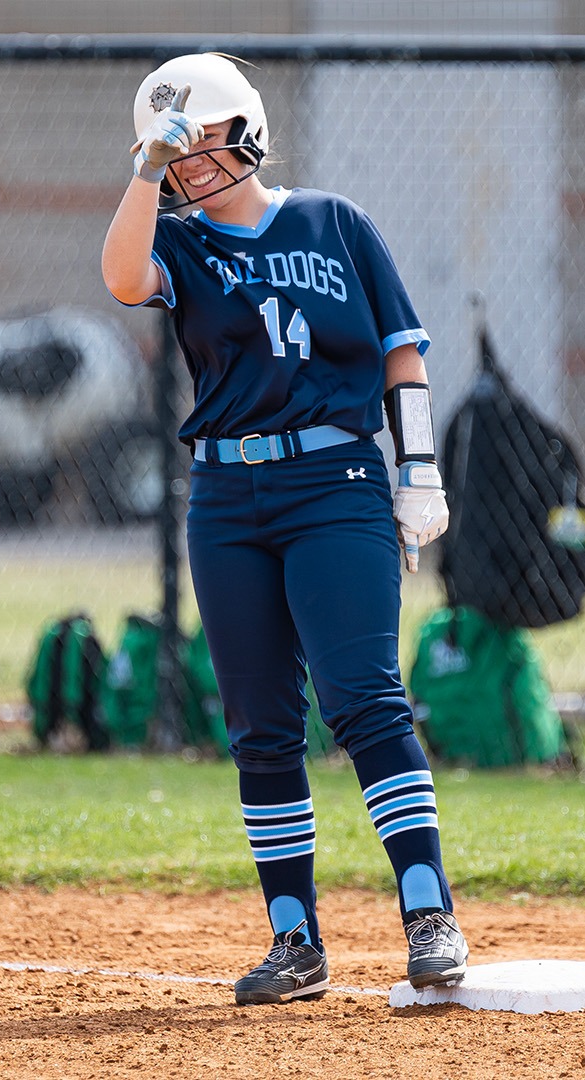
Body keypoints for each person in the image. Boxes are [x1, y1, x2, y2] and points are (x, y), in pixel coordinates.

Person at [100, 53, 468, 1006]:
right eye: (174, 151)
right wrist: (145, 169)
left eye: (201, 141)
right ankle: (294, 939)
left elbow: (402, 353)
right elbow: (119, 275)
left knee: (361, 697)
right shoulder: (176, 241)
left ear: (249, 132)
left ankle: (429, 913)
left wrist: (419, 468)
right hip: (225, 498)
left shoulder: (333, 222)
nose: (188, 162)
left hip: (334, 478)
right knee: (262, 728)